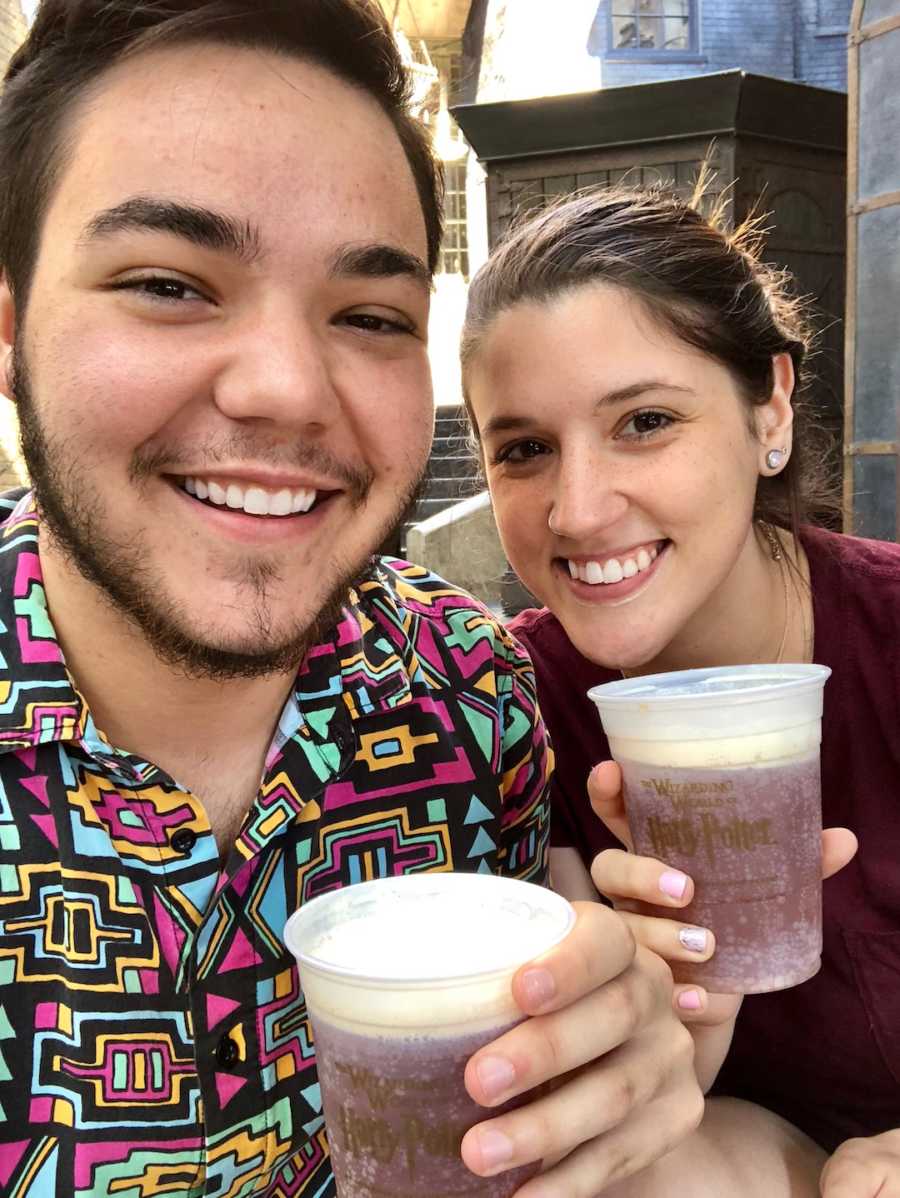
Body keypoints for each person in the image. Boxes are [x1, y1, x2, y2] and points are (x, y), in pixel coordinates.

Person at [0, 4, 707, 1195]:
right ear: (12, 328)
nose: (286, 388)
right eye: (171, 283)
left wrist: (628, 1058)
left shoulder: (471, 690)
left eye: (371, 316)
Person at [461, 185, 900, 1195]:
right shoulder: (518, 706)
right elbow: (639, 1136)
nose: (578, 507)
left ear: (770, 409)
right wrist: (673, 1015)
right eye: (525, 449)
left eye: (645, 421)